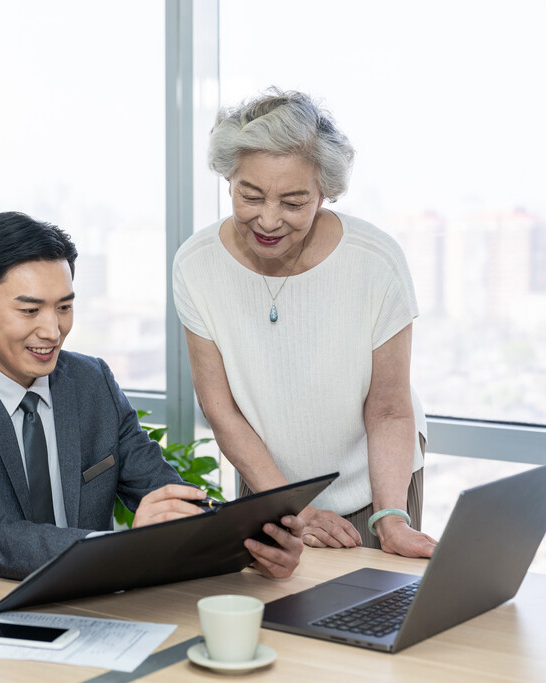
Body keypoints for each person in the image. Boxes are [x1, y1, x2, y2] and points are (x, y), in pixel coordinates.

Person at [0, 211, 304, 580]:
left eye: (64, 308)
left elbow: (164, 491)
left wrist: (248, 544)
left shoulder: (93, 384)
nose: (52, 331)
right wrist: (125, 549)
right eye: (30, 311)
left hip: (90, 601)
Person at [172, 89, 438, 558]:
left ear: (325, 193)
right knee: (280, 611)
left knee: (375, 610)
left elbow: (391, 410)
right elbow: (221, 408)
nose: (268, 220)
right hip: (267, 481)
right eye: (249, 195)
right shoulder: (197, 265)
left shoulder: (374, 262)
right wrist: (292, 506)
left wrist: (391, 516)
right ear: (228, 178)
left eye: (294, 202)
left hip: (378, 483)